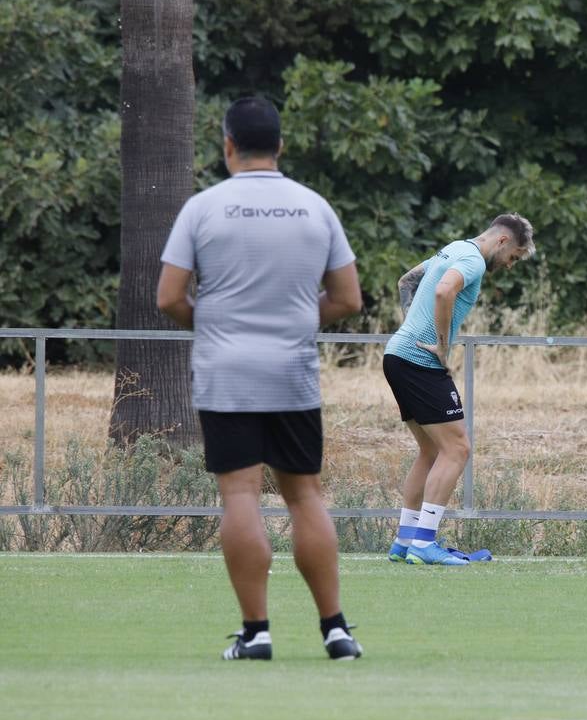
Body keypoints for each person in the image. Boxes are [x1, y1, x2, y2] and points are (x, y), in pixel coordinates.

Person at [156, 96, 364, 660]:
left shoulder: (203, 208)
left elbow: (169, 297)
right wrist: (296, 319)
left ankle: (256, 633)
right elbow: (348, 298)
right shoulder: (314, 207)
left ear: (227, 146)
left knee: (240, 494)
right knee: (304, 495)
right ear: (281, 147)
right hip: (291, 371)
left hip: (227, 372)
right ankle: (336, 630)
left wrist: (215, 324)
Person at [383, 215, 535, 566]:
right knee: (457, 449)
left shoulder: (452, 249)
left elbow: (407, 280)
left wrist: (411, 326)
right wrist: (439, 343)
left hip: (397, 354)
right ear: (501, 241)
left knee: (431, 451)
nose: (510, 266)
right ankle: (424, 543)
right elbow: (442, 290)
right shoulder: (472, 261)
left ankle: (406, 540)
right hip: (419, 360)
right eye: (513, 257)